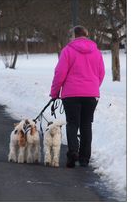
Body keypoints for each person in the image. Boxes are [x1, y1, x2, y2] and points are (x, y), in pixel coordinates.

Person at [50, 26, 105, 168]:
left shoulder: (68, 51)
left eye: (70, 36)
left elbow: (60, 73)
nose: (70, 38)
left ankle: (73, 152)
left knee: (72, 123)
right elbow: (101, 73)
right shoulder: (97, 52)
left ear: (74, 35)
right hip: (91, 95)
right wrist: (93, 87)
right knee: (86, 125)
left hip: (71, 94)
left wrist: (55, 92)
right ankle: (85, 158)